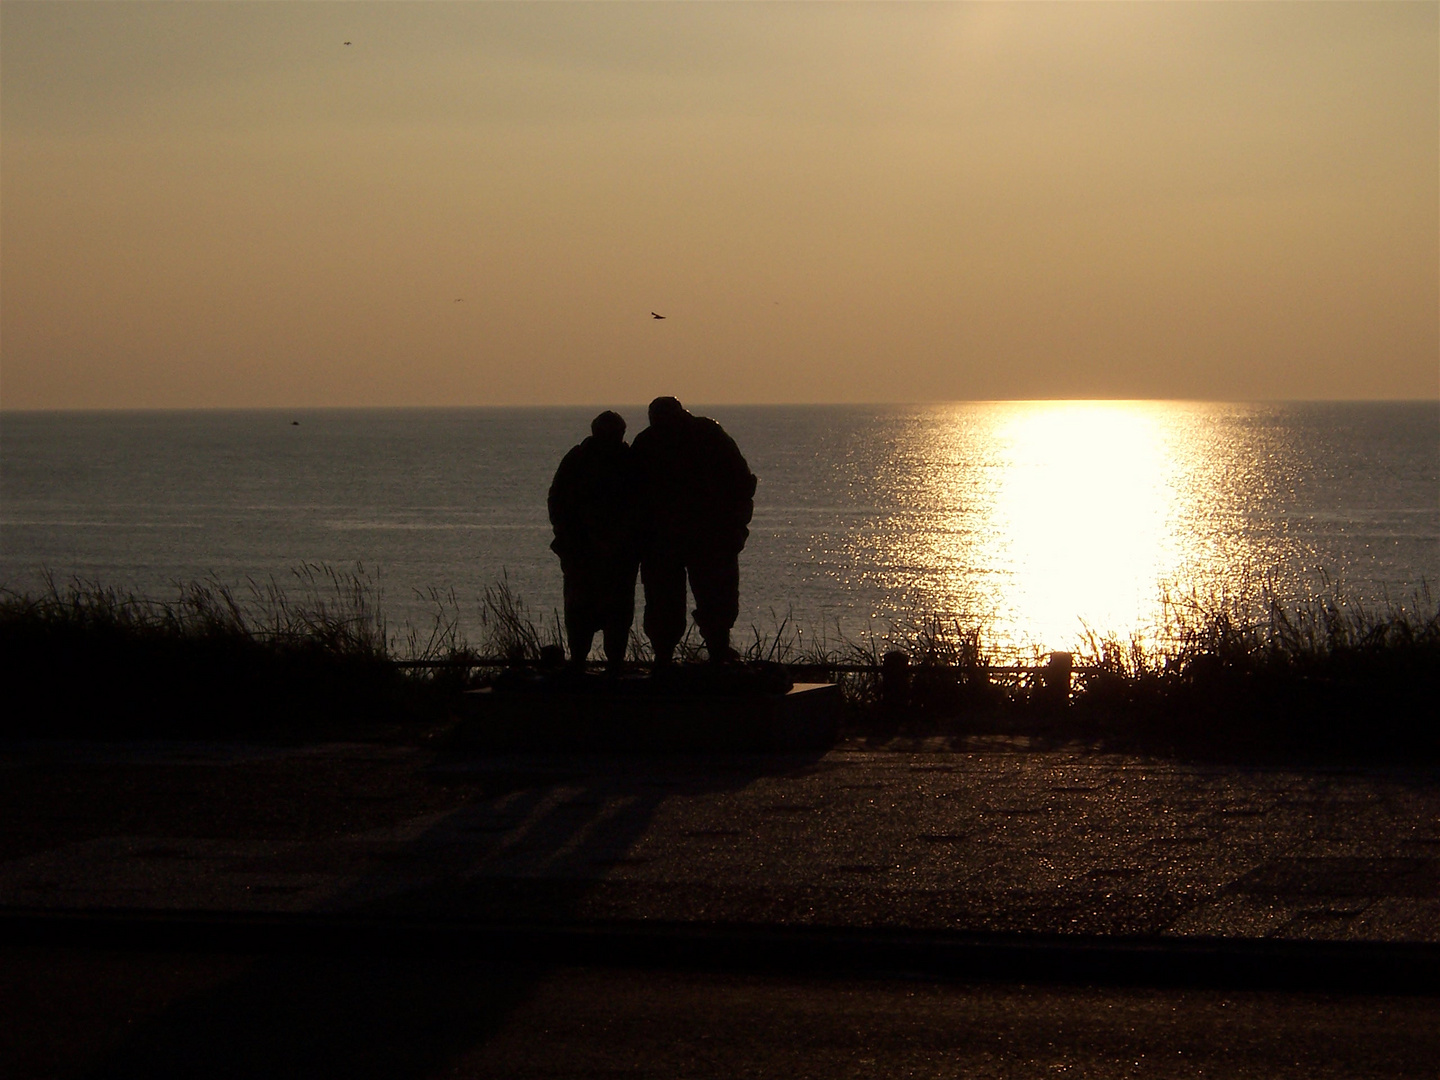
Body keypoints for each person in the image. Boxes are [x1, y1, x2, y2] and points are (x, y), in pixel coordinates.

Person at [631, 396, 757, 664]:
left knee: (714, 597)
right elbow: (631, 494)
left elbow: (741, 484)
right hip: (668, 538)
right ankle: (668, 656)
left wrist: (736, 526)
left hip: (707, 536)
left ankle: (716, 651)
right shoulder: (649, 442)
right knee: (665, 600)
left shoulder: (706, 435)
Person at [547, 410, 640, 672]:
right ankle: (579, 660)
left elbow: (640, 505)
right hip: (583, 552)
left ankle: (614, 663)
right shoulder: (578, 460)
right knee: (580, 610)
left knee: (617, 612)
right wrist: (570, 537)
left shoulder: (627, 461)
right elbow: (558, 502)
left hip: (617, 552)